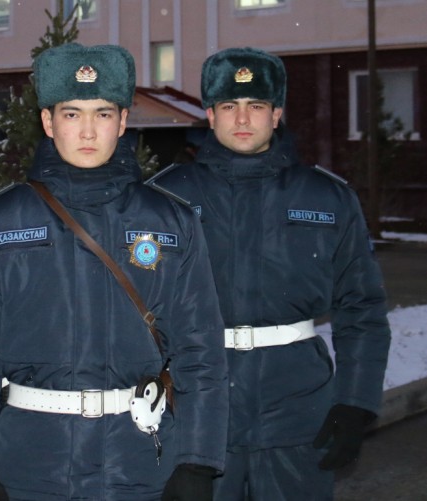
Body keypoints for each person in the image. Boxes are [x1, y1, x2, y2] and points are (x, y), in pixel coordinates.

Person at [0, 43, 228, 501]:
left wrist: (198, 461)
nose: (89, 130)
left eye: (103, 113)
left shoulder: (171, 220)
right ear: (48, 122)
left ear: (123, 121)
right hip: (30, 461)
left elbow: (201, 352)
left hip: (139, 459)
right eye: (72, 114)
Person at [147, 47, 391, 500]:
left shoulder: (326, 197)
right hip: (196, 411)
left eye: (256, 105)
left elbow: (362, 307)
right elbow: (128, 310)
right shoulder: (162, 198)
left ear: (276, 114)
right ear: (210, 114)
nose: (243, 119)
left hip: (297, 409)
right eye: (229, 106)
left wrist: (356, 401)